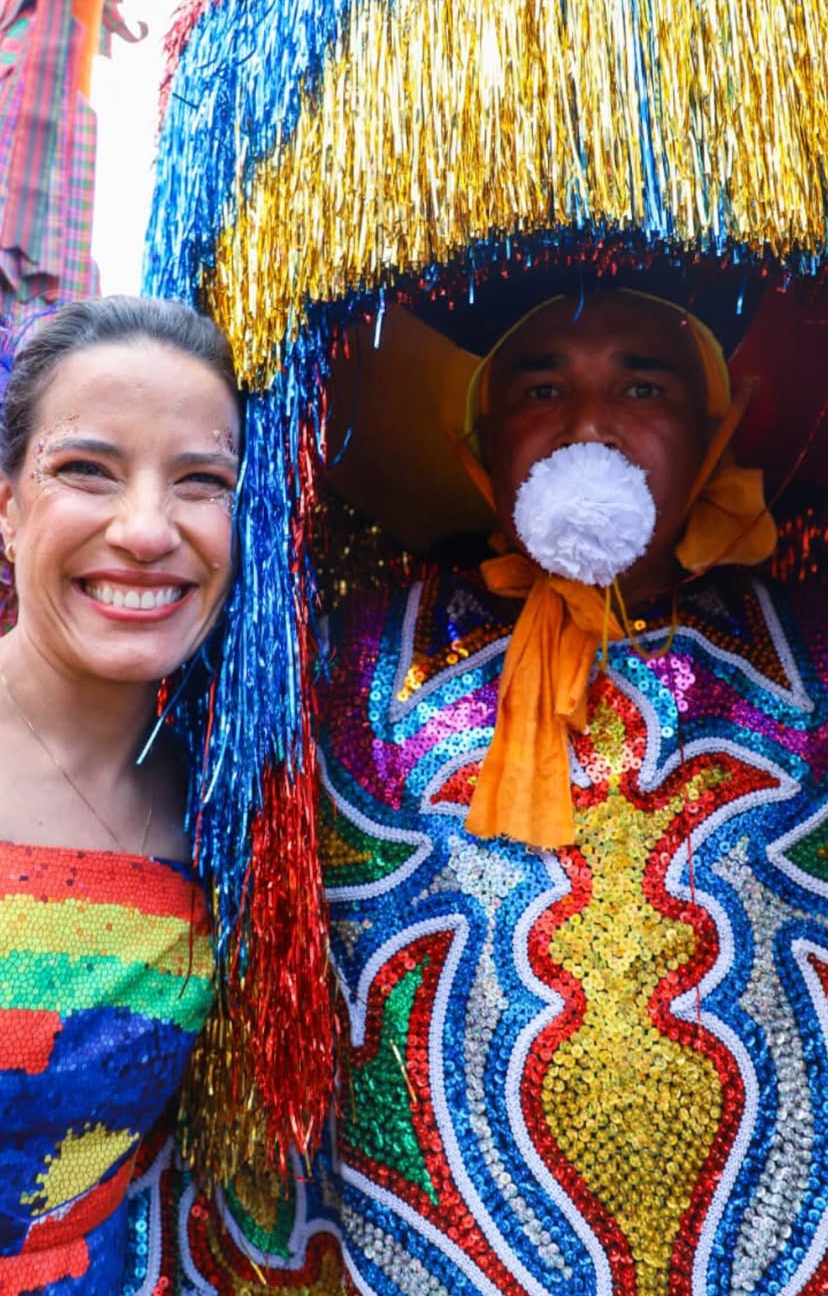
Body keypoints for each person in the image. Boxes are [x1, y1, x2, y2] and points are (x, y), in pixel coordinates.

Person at [167, 286, 828, 1296]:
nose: (590, 426)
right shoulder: (338, 661)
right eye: (541, 388)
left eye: (643, 386)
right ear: (479, 436)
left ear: (714, 428)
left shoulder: (812, 653)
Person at [0, 295, 241, 1294]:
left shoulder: (236, 804)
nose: (146, 530)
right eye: (87, 470)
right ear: (6, 506)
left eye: (201, 482)